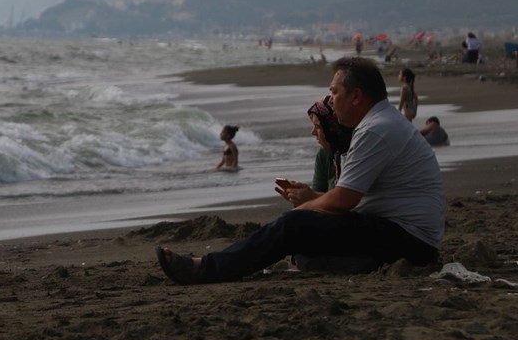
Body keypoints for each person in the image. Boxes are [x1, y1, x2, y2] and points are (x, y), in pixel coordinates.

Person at [157, 57, 444, 285]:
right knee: (302, 239)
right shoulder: (382, 122)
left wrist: (304, 210)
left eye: (334, 92)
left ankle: (205, 269)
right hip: (408, 237)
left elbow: (345, 199)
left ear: (356, 96)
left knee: (292, 226)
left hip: (410, 241)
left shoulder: (375, 130)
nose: (330, 100)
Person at [274, 95, 353, 206]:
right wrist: (300, 198)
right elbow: (318, 194)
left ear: (331, 128)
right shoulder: (324, 154)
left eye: (318, 126)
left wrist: (311, 197)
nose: (313, 132)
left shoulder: (354, 151)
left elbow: (351, 202)